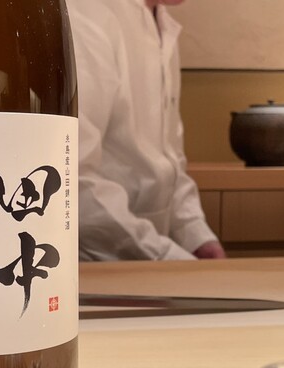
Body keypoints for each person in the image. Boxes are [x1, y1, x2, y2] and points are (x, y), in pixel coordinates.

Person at [67, 0, 226, 261]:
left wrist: (197, 236)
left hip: (150, 258)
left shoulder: (160, 21)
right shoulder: (86, 16)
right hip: (93, 264)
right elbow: (74, 181)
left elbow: (170, 159)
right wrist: (168, 257)